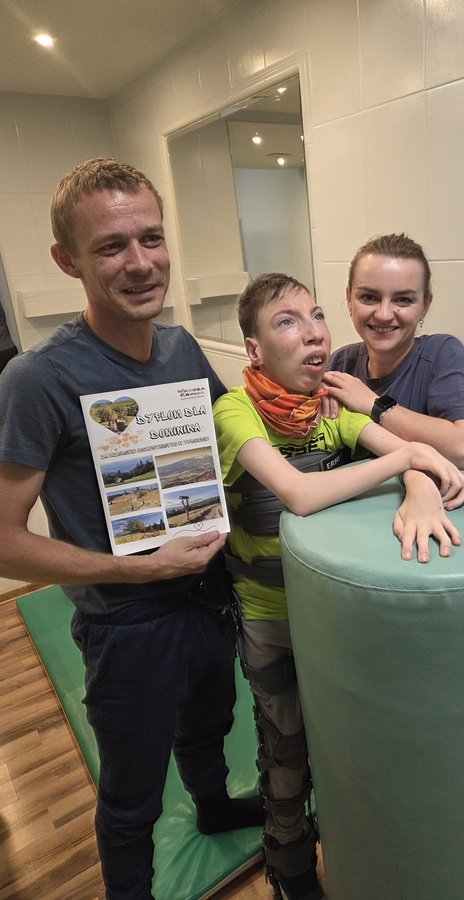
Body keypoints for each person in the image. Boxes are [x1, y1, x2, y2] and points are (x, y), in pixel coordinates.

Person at [0, 158, 262, 899]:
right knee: (131, 795)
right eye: (112, 246)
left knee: (210, 724)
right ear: (68, 261)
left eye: (151, 237)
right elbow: (4, 539)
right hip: (129, 624)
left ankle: (213, 806)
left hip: (210, 594)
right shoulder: (38, 379)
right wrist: (137, 569)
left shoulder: (181, 348)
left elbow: (230, 445)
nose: (141, 263)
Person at [213, 273, 464, 900]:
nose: (313, 333)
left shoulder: (331, 405)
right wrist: (405, 463)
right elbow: (299, 494)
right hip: (271, 617)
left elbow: (408, 452)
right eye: (287, 322)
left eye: (317, 315)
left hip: (334, 616)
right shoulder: (234, 412)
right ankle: (291, 868)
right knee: (286, 751)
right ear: (254, 350)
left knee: (350, 745)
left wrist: (417, 486)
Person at [323, 233, 464, 470]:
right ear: (349, 299)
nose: (383, 314)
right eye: (369, 297)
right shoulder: (340, 363)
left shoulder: (441, 353)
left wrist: (373, 404)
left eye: (403, 300)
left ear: (425, 306)